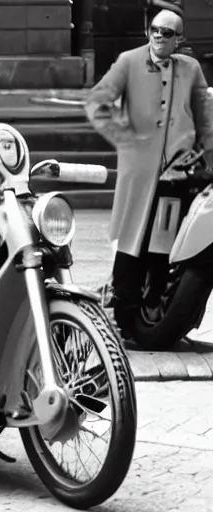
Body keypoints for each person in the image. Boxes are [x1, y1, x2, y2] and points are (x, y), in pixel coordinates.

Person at [85, 9, 213, 338]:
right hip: (139, 174)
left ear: (178, 39)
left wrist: (210, 162)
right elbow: (96, 102)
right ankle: (124, 313)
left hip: (178, 173)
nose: (159, 36)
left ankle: (156, 306)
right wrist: (124, 139)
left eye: (167, 33)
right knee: (132, 243)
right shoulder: (128, 61)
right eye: (155, 30)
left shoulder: (191, 69)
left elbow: (205, 120)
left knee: (164, 243)